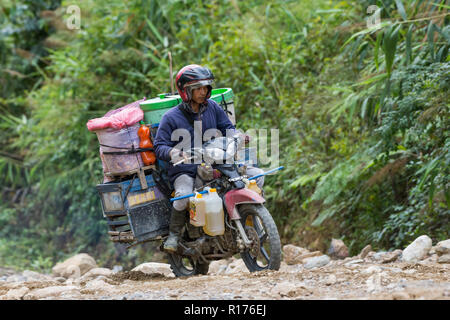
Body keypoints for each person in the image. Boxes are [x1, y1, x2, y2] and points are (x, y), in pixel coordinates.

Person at [154, 64, 264, 253]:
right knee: (182, 197)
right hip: (185, 169)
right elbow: (159, 146)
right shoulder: (170, 117)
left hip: (217, 162)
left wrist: (237, 136)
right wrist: (176, 153)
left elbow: (227, 127)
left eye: (205, 88)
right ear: (185, 90)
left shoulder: (212, 107)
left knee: (257, 175)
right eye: (198, 88)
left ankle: (249, 217)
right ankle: (174, 235)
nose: (203, 92)